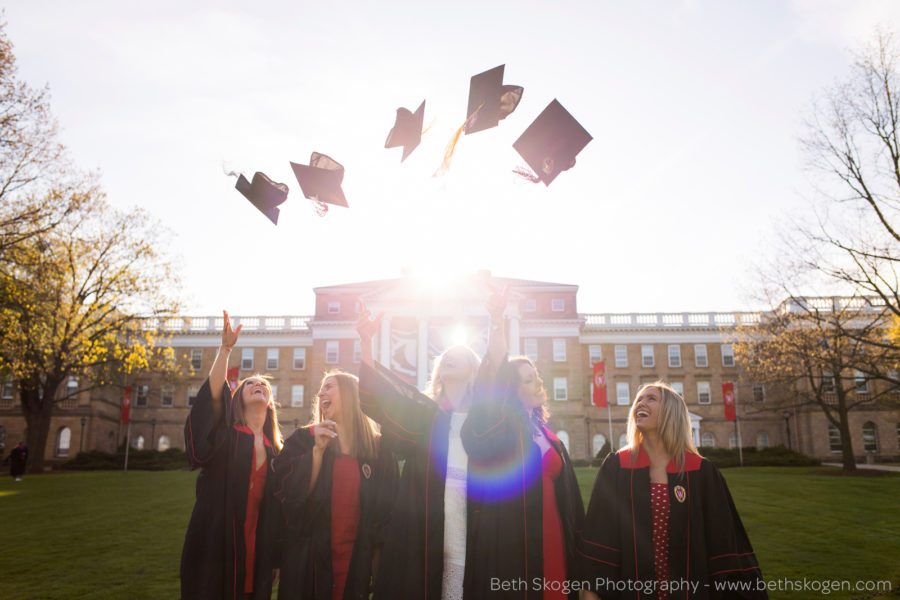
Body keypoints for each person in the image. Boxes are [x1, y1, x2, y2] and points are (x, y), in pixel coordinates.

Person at [355, 289, 506, 600]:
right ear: (439, 372)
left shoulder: (483, 415)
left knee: (463, 580)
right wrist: (366, 341)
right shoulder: (425, 414)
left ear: (474, 369)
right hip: (427, 517)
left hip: (473, 513)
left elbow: (499, 368)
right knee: (428, 581)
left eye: (461, 356)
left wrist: (497, 319)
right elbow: (379, 396)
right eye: (446, 357)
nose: (452, 356)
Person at [578, 382, 767, 600]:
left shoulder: (700, 472)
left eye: (651, 398)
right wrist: (590, 594)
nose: (641, 403)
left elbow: (724, 543)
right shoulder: (617, 467)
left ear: (671, 412)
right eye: (639, 399)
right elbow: (600, 538)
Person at [461, 351, 586, 600]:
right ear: (511, 390)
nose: (538, 383)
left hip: (555, 536)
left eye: (536, 376)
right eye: (528, 380)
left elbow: (571, 499)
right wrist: (497, 331)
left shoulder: (550, 438)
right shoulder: (502, 432)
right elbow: (477, 433)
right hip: (513, 541)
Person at [180, 311, 283, 600]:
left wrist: (274, 556)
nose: (258, 384)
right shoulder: (227, 437)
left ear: (270, 402)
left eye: (264, 384)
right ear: (237, 399)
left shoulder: (277, 452)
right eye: (250, 383)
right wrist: (225, 349)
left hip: (255, 544)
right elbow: (213, 397)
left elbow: (278, 510)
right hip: (215, 540)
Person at [273, 370, 398, 600]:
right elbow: (292, 501)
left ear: (351, 395)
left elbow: (386, 514)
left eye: (329, 386)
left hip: (355, 563)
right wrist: (317, 452)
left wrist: (378, 569)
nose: (320, 393)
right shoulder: (303, 440)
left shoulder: (377, 450)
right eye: (321, 389)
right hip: (309, 564)